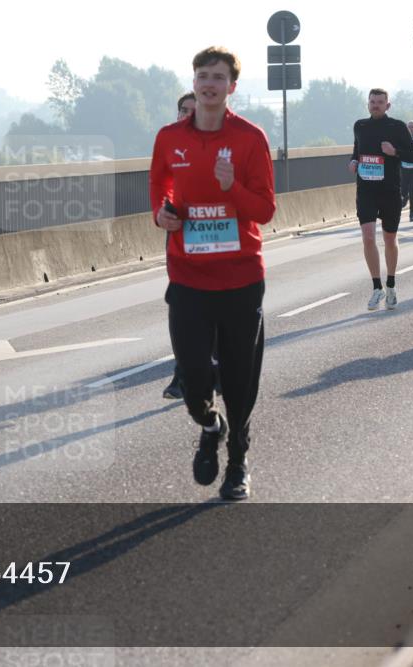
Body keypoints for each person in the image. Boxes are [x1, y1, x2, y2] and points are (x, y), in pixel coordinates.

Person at [150, 46, 276, 500]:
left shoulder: (250, 138)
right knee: (193, 377)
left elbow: (264, 209)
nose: (208, 83)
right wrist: (161, 216)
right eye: (202, 75)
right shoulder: (169, 137)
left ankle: (238, 460)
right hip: (188, 277)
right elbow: (159, 191)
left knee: (241, 379)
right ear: (194, 81)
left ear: (231, 87)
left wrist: (231, 187)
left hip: (241, 278)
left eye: (218, 77)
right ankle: (210, 424)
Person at [163, 92, 222, 401]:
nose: (186, 115)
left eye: (192, 111)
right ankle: (182, 376)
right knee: (183, 306)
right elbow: (161, 186)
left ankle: (216, 366)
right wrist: (162, 214)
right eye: (182, 111)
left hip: (214, 231)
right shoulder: (169, 144)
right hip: (179, 234)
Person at [348, 89, 413, 311]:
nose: (375, 105)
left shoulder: (396, 127)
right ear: (367, 104)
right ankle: (376, 287)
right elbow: (357, 150)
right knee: (368, 237)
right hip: (366, 190)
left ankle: (391, 284)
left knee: (390, 239)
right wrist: (353, 162)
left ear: (388, 105)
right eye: (372, 102)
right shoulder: (360, 125)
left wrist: (394, 151)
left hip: (390, 191)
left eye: (380, 102)